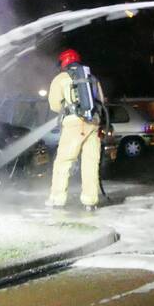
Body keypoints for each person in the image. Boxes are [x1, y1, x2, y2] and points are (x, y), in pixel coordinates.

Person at [47, 48, 105, 211]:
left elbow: (54, 105)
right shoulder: (92, 77)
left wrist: (68, 108)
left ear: (63, 62)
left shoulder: (61, 78)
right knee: (90, 163)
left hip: (73, 123)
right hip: (93, 123)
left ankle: (57, 199)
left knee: (64, 162)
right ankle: (90, 201)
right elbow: (101, 101)